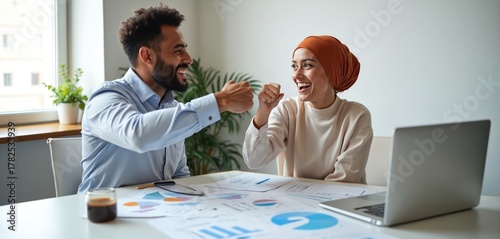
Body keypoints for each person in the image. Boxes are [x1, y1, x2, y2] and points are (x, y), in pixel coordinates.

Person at [78, 5, 254, 193]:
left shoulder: (172, 108)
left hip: (155, 213)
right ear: (147, 56)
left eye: (185, 49)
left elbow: (178, 174)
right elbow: (138, 134)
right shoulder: (105, 98)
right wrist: (220, 101)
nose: (188, 59)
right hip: (104, 216)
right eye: (178, 51)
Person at [242, 35, 373, 184]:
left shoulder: (357, 116)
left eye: (308, 65)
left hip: (338, 204)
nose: (296, 75)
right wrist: (263, 113)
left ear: (332, 71)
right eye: (294, 66)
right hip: (295, 202)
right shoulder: (286, 110)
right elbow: (254, 160)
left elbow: (343, 181)